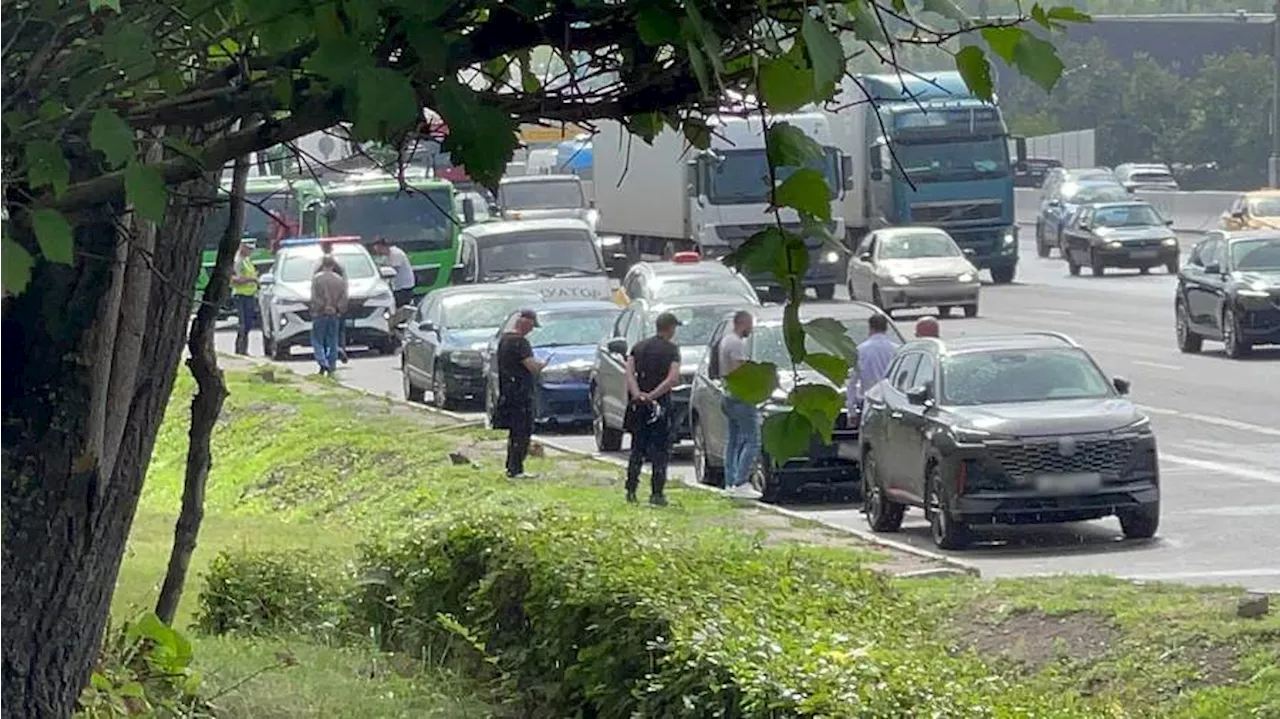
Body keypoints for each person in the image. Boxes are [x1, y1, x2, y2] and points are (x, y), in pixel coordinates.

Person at [624, 312, 682, 506]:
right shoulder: (672, 350)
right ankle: (657, 493)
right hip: (660, 406)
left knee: (637, 448)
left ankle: (631, 489)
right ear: (670, 328)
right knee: (660, 451)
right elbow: (672, 379)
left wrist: (638, 394)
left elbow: (629, 373)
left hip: (638, 405)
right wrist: (653, 396)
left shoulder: (638, 348)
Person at [495, 309, 546, 478]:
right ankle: (516, 469)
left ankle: (512, 466)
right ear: (526, 324)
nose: (531, 330)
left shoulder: (504, 340)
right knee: (522, 432)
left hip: (508, 391)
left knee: (515, 432)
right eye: (532, 326)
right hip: (521, 393)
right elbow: (531, 366)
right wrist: (541, 366)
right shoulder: (521, 343)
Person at [718, 310, 759, 493]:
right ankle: (741, 481)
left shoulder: (726, 340)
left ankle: (730, 480)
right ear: (742, 323)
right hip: (740, 396)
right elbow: (739, 371)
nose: (751, 328)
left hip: (727, 394)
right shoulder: (736, 343)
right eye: (750, 324)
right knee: (752, 440)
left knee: (734, 440)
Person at [846, 313, 898, 419]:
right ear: (886, 328)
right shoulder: (897, 350)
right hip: (892, 404)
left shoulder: (860, 350)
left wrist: (851, 410)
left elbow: (852, 382)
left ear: (870, 328)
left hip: (868, 403)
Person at [310, 255, 348, 375]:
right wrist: (337, 308)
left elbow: (314, 297)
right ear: (333, 265)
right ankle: (331, 365)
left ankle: (322, 361)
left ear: (322, 265)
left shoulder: (317, 279)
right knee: (332, 340)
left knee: (317, 339)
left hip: (320, 314)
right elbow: (344, 297)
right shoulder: (339, 280)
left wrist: (321, 307)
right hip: (334, 314)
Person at [229, 239, 259, 355]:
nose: (251, 251)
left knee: (248, 324)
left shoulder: (247, 260)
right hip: (240, 295)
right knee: (243, 324)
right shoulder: (238, 261)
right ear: (242, 247)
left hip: (249, 295)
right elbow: (233, 280)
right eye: (249, 248)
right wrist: (252, 279)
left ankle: (244, 350)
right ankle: (240, 350)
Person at [371, 237, 416, 307]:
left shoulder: (396, 254)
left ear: (383, 247)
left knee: (401, 306)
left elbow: (394, 270)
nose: (379, 253)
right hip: (397, 286)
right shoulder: (387, 255)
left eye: (379, 250)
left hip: (404, 286)